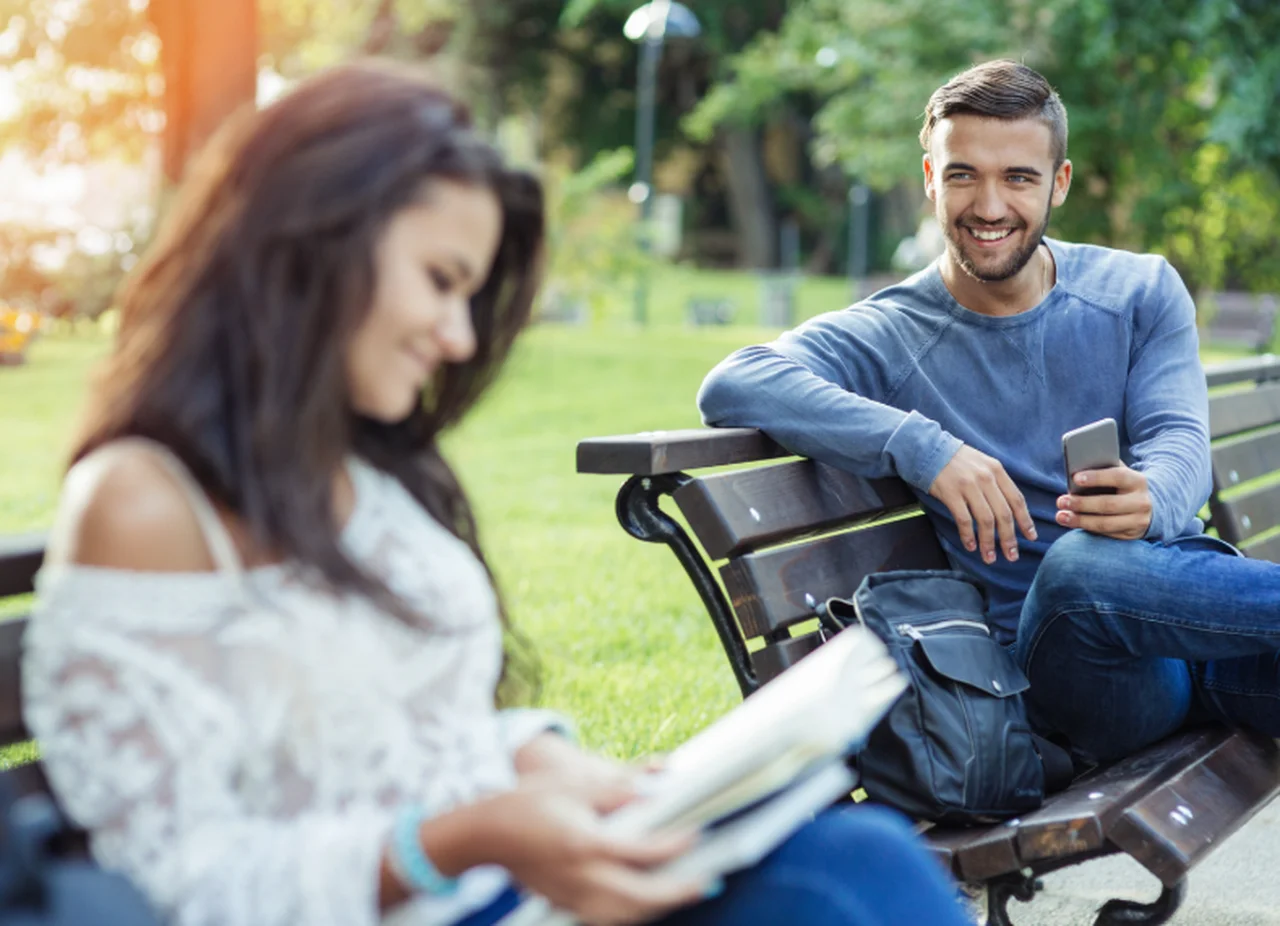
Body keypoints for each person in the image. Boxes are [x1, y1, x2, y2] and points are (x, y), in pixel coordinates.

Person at [20, 61, 971, 926]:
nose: (458, 339)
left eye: (470, 297)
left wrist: (549, 767)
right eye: (440, 282)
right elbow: (172, 878)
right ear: (311, 243)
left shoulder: (366, 472)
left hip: (499, 888)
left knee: (855, 856)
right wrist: (462, 840)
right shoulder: (144, 505)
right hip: (424, 901)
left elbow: (415, 722)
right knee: (839, 891)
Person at [698, 58, 1280, 771]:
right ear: (929, 179)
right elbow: (736, 381)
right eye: (964, 174)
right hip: (1081, 679)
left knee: (1106, 563)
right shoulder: (892, 331)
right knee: (1078, 572)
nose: (990, 206)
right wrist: (923, 447)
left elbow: (1178, 437)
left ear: (1058, 184)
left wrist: (1155, 496)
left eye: (1019, 177)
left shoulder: (1139, 290)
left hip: (1197, 637)